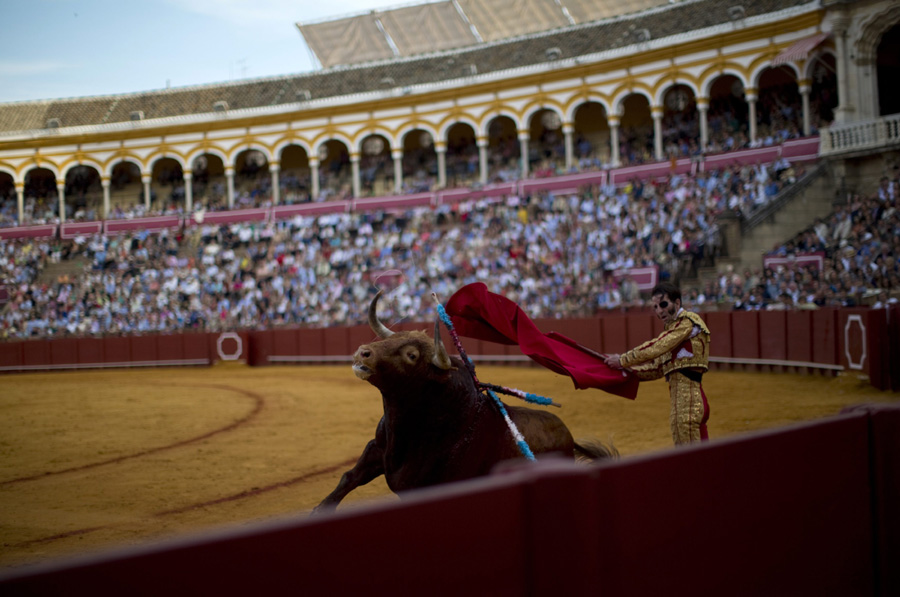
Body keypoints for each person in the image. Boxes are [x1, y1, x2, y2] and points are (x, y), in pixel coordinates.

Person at [604, 282, 711, 445]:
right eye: (655, 307)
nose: (659, 310)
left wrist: (622, 360)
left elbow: (656, 346)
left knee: (691, 459)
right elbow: (657, 369)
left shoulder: (686, 322)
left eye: (663, 304)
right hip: (687, 400)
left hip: (688, 402)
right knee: (702, 459)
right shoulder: (674, 332)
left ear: (677, 303)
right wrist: (627, 371)